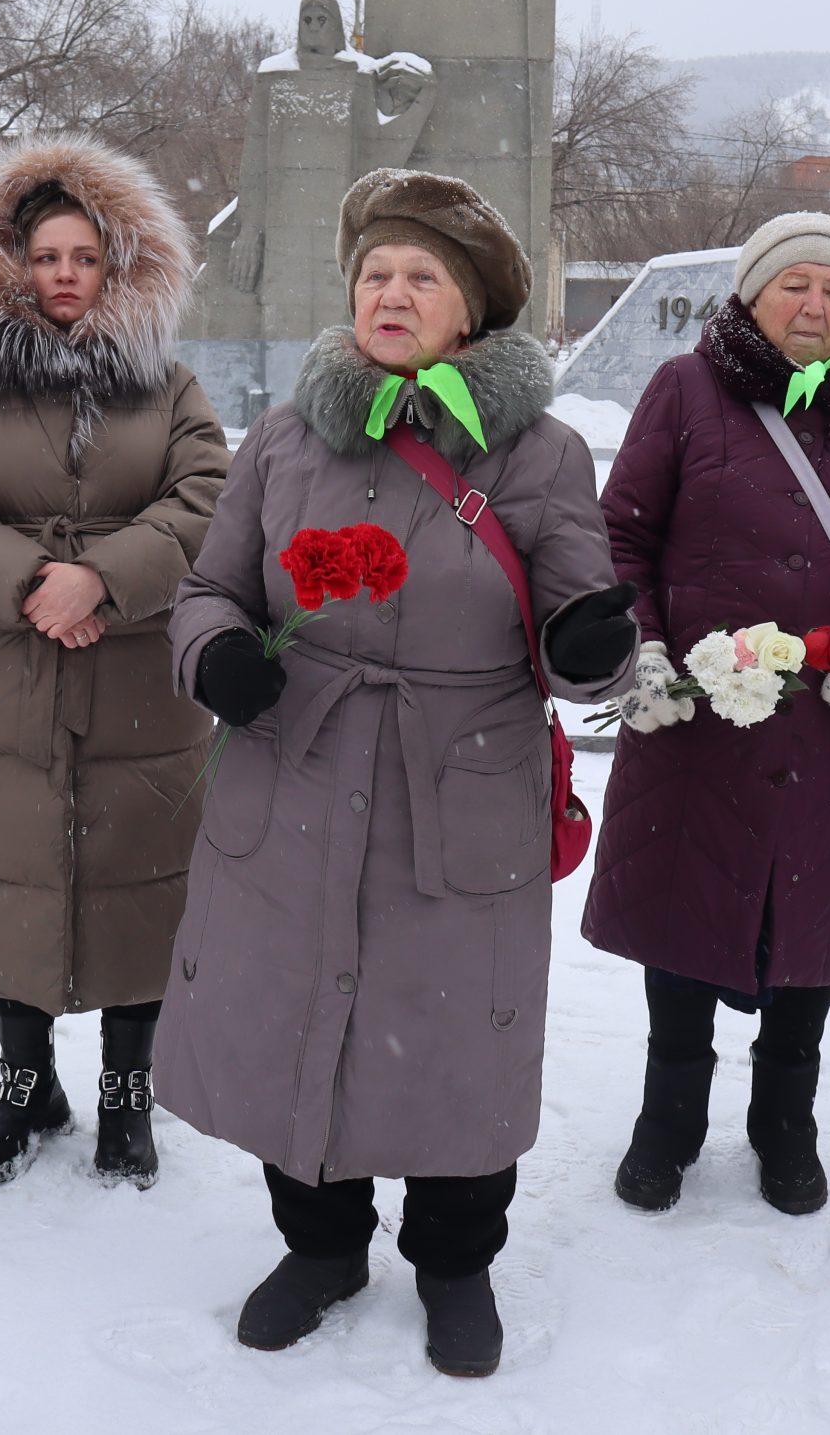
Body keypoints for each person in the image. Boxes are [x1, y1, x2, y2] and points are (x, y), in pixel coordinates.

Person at [158, 168, 638, 1378]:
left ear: (467, 312)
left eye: (422, 276)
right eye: (375, 272)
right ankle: (319, 1248)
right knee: (289, 1012)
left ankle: (456, 1263)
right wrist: (213, 652)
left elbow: (578, 594)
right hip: (297, 772)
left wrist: (587, 641)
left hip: (458, 784)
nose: (392, 292)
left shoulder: (537, 452)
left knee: (454, 1036)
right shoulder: (281, 438)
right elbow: (212, 583)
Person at [584, 211, 830, 1218]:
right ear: (751, 292)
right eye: (795, 283)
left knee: (807, 925)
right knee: (680, 917)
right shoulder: (684, 389)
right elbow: (620, 533)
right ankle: (666, 1121)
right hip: (695, 724)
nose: (816, 305)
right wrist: (646, 652)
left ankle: (782, 1121)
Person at [0, 137, 229, 1189]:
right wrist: (33, 579)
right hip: (3, 674)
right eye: (45, 256)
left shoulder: (167, 387)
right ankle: (24, 1083)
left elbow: (209, 497)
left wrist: (106, 578)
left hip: (137, 678)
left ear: (119, 268)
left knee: (139, 883)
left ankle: (131, 1095)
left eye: (85, 256)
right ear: (11, 265)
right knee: (15, 878)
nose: (65, 275)